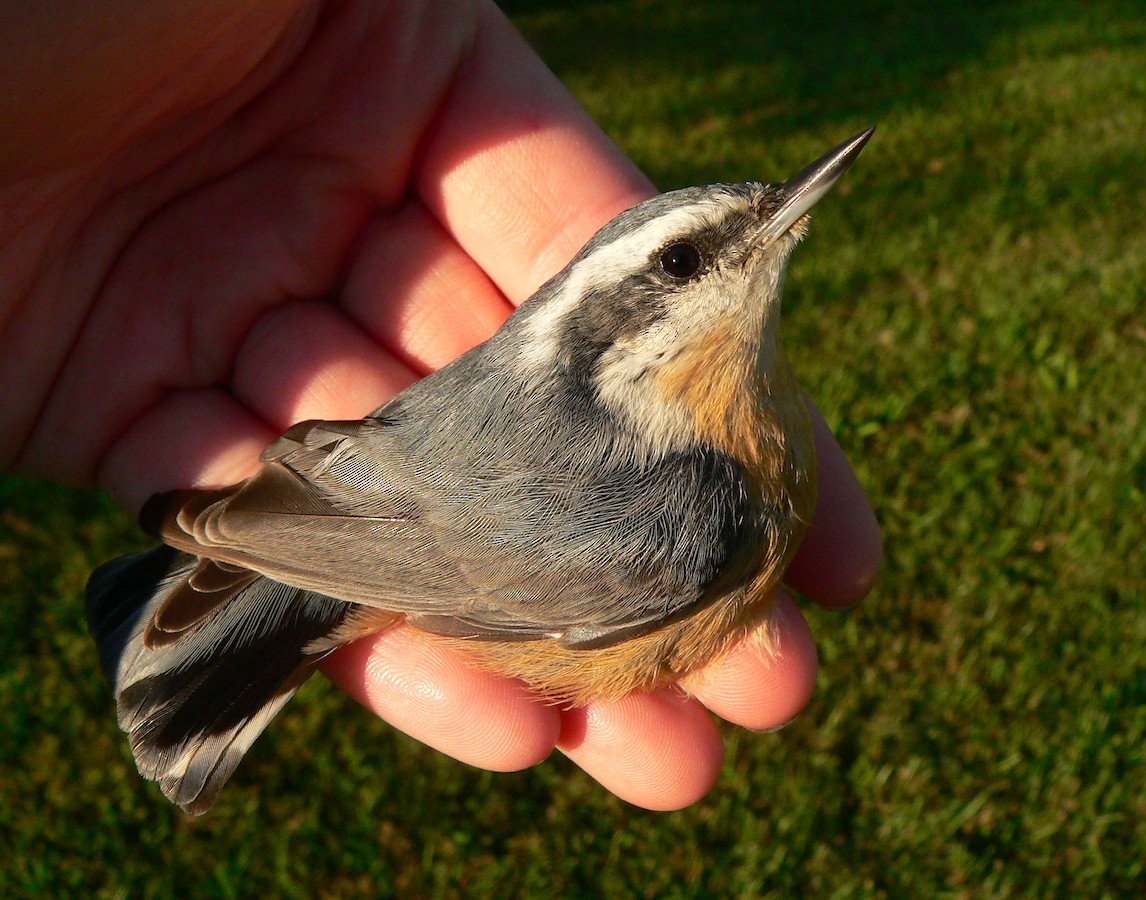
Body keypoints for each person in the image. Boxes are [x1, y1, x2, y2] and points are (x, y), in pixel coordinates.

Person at [0, 1, 881, 810]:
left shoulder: (722, 436)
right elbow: (423, 544)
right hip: (382, 536)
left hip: (373, 503)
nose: (754, 247)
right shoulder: (695, 521)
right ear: (605, 328)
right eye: (686, 264)